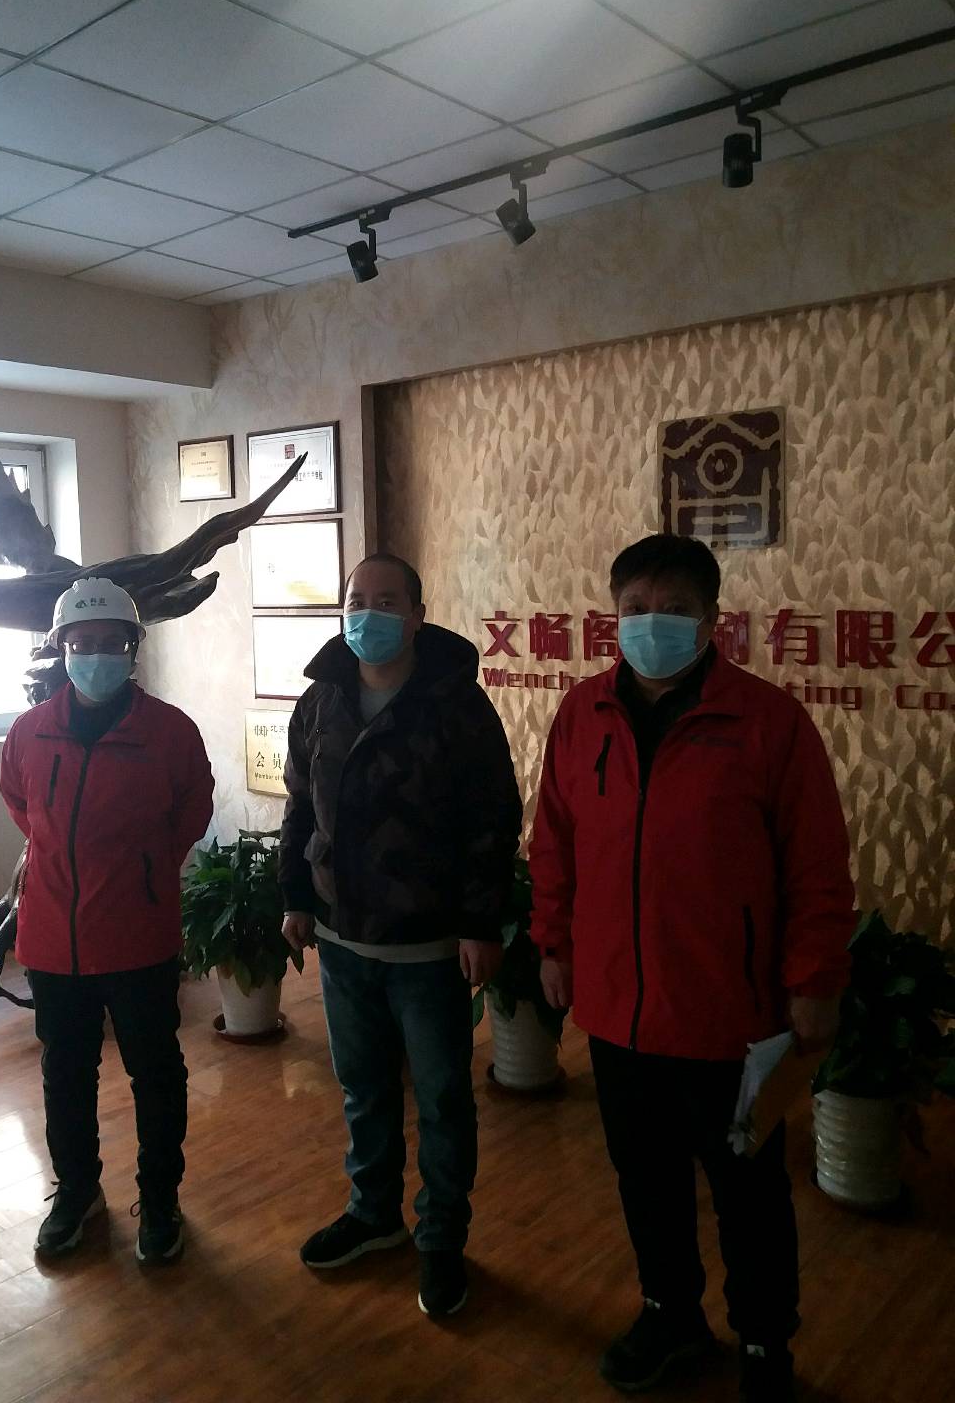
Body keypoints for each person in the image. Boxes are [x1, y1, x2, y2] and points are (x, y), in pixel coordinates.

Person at [529, 535, 854, 1403]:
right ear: (613, 616)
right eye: (635, 608)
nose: (652, 624)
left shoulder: (768, 722)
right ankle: (670, 1313)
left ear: (713, 620)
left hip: (735, 1018)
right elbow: (553, 840)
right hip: (618, 1012)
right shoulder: (583, 714)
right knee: (647, 1183)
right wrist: (552, 942)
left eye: (673, 609)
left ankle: (765, 1341)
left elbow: (817, 866)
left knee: (750, 1192)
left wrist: (814, 982)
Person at [280, 552, 522, 1318]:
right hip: (343, 938)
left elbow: (493, 820)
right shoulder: (321, 700)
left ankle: (441, 1238)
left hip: (429, 946)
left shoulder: (455, 704)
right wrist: (295, 900)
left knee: (444, 1101)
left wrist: (480, 924)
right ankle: (373, 1214)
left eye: (386, 601)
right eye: (356, 600)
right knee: (364, 1090)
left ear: (418, 615)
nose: (368, 614)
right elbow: (299, 809)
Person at [0, 578, 214, 1263]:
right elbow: (20, 804)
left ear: (132, 648)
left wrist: (147, 866)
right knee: (66, 1072)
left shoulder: (170, 733)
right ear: (61, 647)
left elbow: (193, 807)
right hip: (51, 939)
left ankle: (160, 1199)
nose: (95, 655)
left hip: (137, 935)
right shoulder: (30, 733)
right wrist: (62, 857)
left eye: (110, 643)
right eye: (82, 643)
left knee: (156, 1073)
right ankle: (76, 1192)